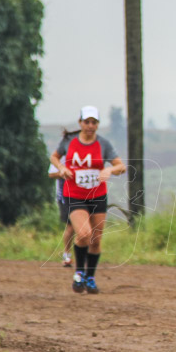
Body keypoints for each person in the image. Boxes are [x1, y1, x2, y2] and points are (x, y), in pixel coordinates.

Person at [50, 106, 125, 294]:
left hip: (97, 195)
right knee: (83, 233)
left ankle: (90, 277)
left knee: (96, 240)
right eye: (87, 122)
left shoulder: (103, 144)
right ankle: (79, 273)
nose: (90, 126)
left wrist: (109, 170)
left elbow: (121, 166)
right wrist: (62, 167)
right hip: (74, 194)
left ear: (98, 124)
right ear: (80, 123)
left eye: (94, 122)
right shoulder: (69, 142)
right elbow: (54, 156)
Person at [48, 132, 77, 267]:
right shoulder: (62, 156)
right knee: (71, 227)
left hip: (81, 195)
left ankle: (83, 254)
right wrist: (63, 172)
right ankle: (67, 254)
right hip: (64, 196)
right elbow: (51, 173)